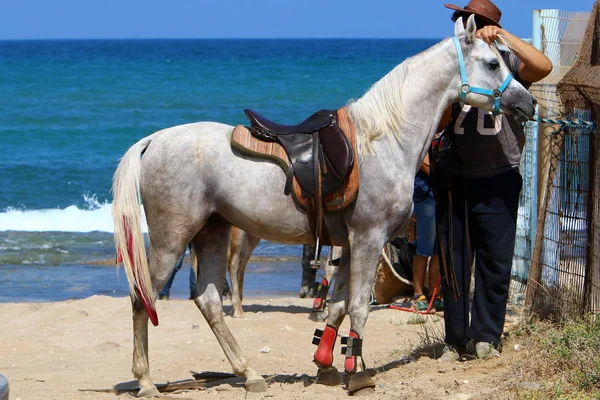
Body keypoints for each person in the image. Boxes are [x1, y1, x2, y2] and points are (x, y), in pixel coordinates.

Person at [434, 0, 552, 361]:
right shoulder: (452, 63)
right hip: (454, 177)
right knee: (454, 263)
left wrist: (503, 37)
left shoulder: (507, 63)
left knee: (495, 263)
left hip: (499, 176)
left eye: (464, 18)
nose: (458, 22)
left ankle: (486, 337)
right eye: (458, 18)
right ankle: (454, 340)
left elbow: (543, 66)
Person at [411, 154, 443, 312]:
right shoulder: (425, 135)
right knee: (425, 245)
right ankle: (418, 294)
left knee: (439, 248)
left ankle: (434, 294)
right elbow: (426, 166)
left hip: (441, 194)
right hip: (425, 195)